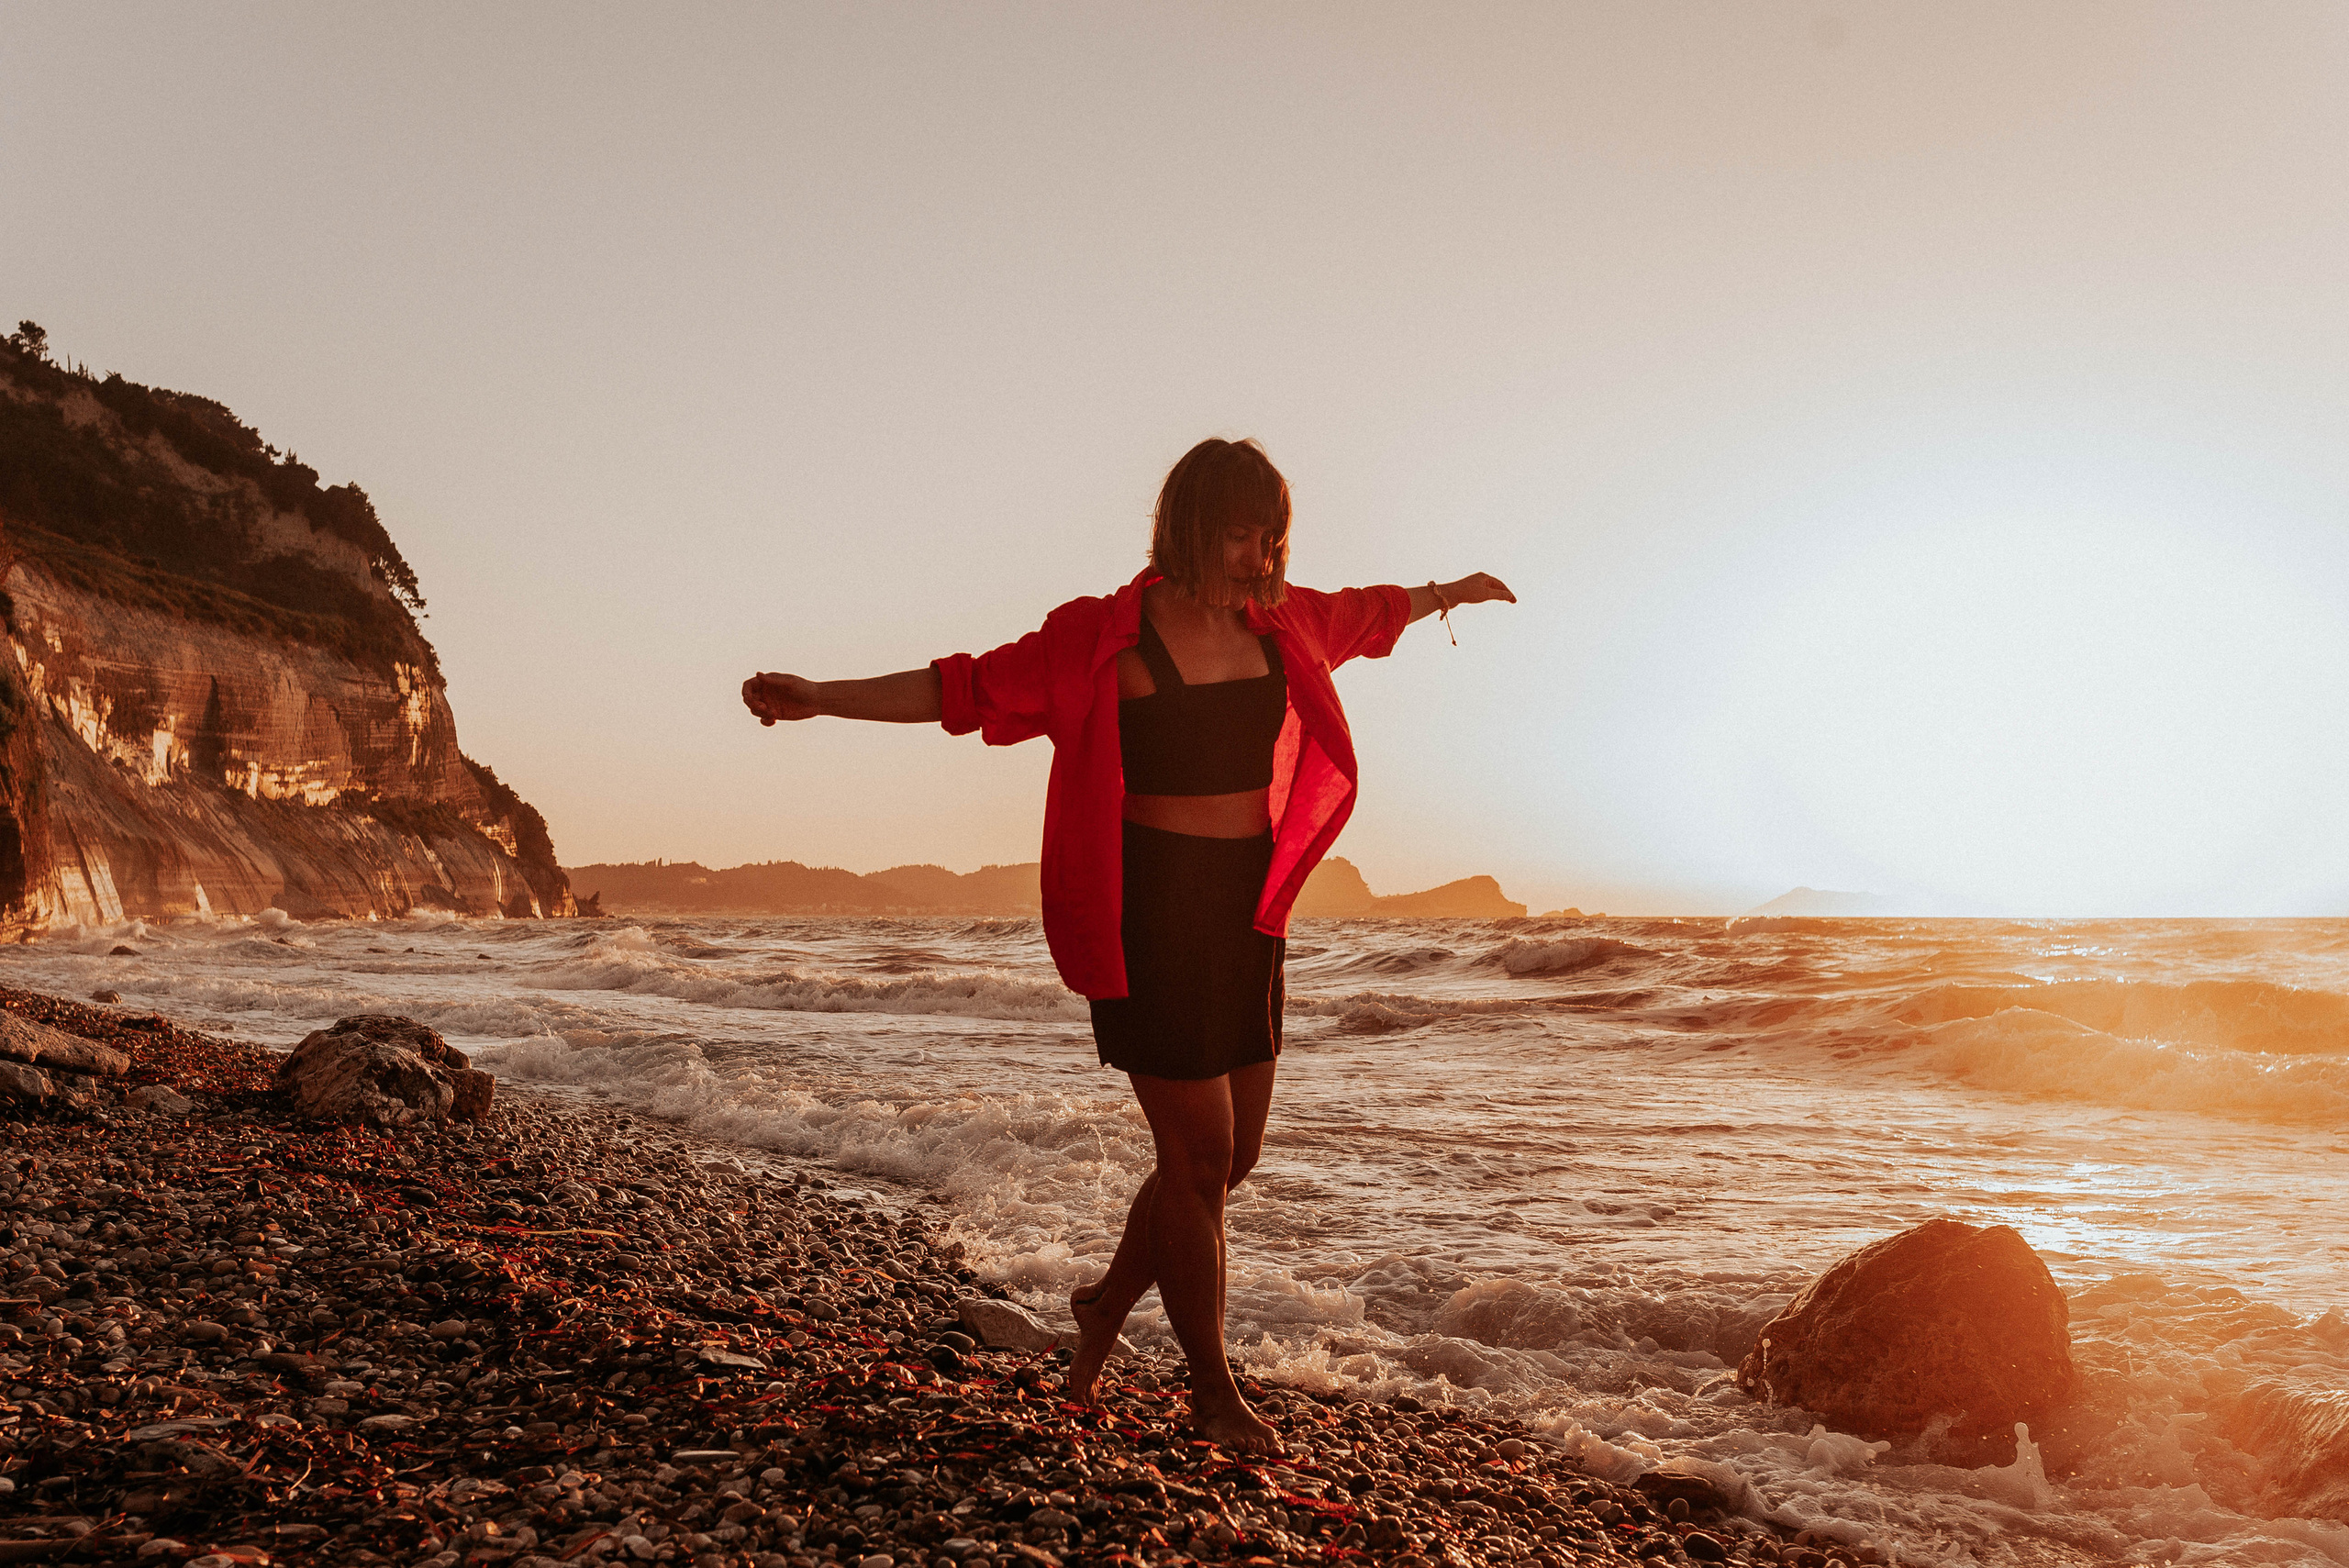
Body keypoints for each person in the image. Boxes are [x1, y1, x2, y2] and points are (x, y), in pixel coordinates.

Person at [741, 438, 1514, 1451]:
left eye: (1271, 533)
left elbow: (1373, 612)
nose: (1258, 553)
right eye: (1239, 532)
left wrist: (1448, 590)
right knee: (1194, 1158)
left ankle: (1104, 1304)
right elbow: (959, 687)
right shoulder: (1096, 637)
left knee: (1228, 1160)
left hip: (1250, 914)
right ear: (1189, 526)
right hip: (1147, 911)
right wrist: (825, 695)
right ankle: (1210, 1387)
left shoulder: (1287, 620)